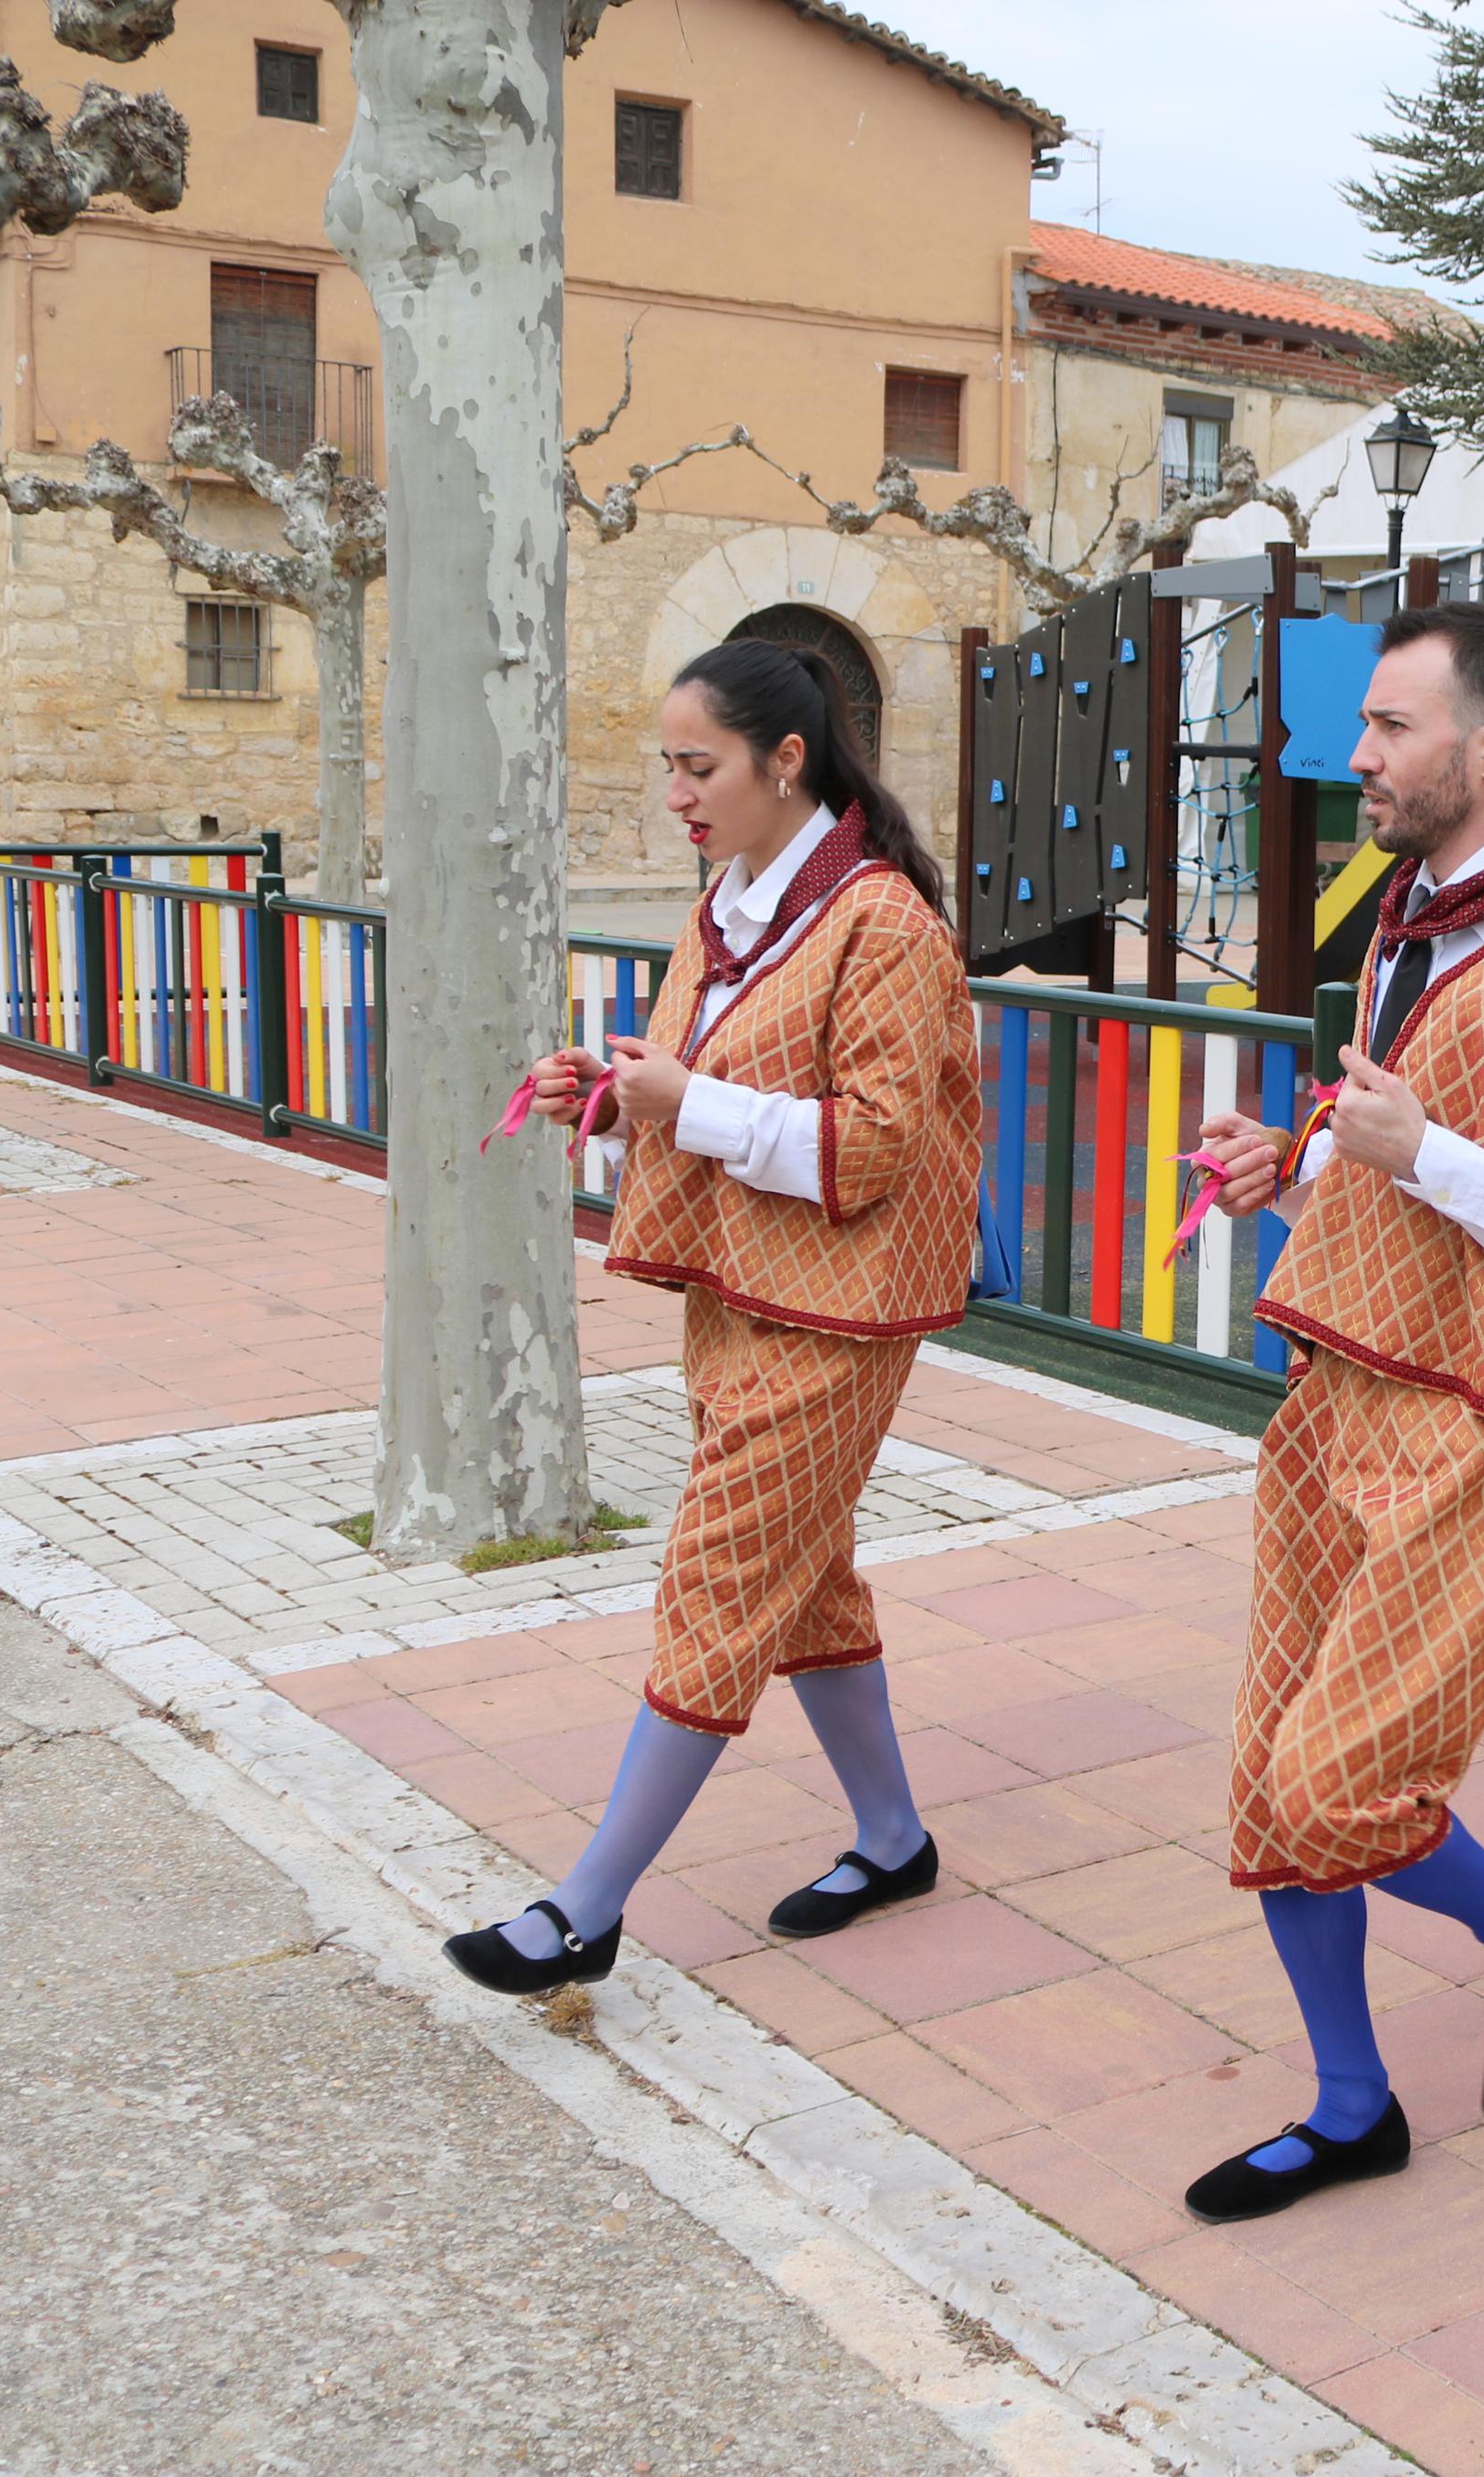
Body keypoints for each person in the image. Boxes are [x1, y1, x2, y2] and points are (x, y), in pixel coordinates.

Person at [1176, 602, 1484, 2220]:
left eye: (1389, 727)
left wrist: (1420, 1161)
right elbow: (1397, 1119)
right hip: (1336, 1375)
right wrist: (1305, 1156)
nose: (1356, 757)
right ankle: (1348, 2102)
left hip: (1481, 1410)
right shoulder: (1411, 911)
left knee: (1340, 1786)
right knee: (1272, 1786)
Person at [445, 641, 978, 1995]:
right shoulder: (728, 906)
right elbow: (708, 1080)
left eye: (698, 765)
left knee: (720, 1578)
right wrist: (621, 1091)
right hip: (743, 1284)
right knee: (805, 1573)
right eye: (669, 765)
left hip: (842, 1306)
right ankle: (893, 1834)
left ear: (782, 760)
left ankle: (586, 1906)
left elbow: (868, 1150)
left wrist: (686, 1099)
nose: (676, 793)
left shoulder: (885, 926)